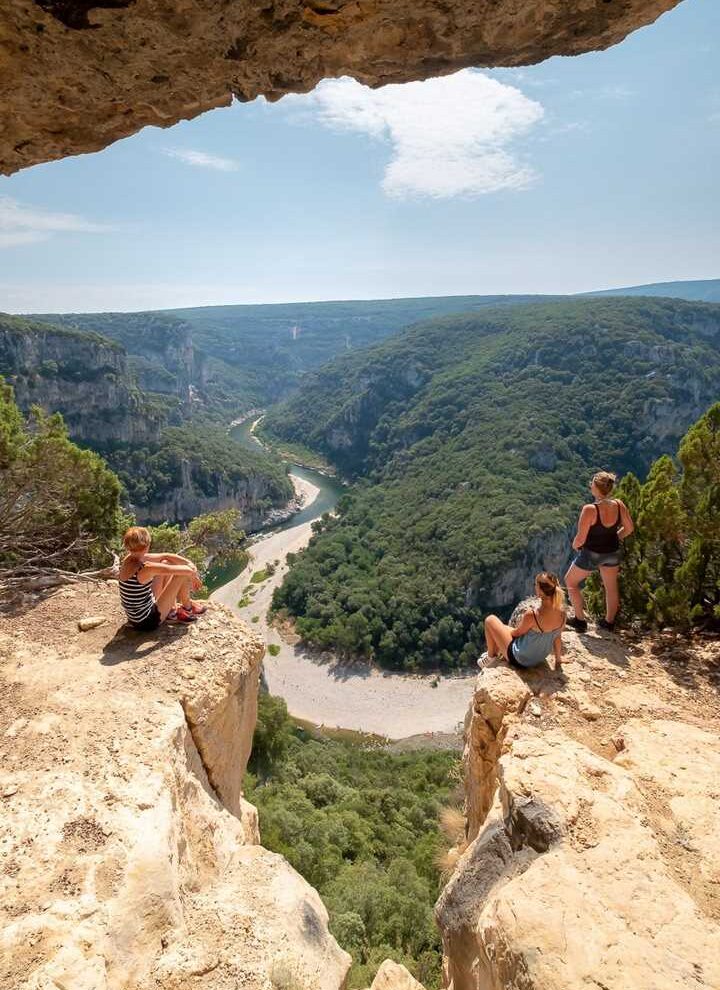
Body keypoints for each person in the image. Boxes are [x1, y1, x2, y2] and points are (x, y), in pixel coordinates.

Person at [565, 471, 635, 633]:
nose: (590, 485)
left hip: (592, 554)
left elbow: (580, 539)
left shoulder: (590, 509)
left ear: (596, 488)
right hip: (613, 553)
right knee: (611, 587)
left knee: (570, 582)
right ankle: (609, 623)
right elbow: (629, 528)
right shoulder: (619, 504)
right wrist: (616, 537)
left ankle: (580, 621)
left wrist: (575, 546)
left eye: (592, 483)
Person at [118, 526, 207, 630]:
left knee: (166, 562)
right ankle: (187, 607)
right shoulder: (146, 568)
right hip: (148, 621)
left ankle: (172, 611)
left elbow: (166, 556)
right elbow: (186, 571)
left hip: (135, 618)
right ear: (147, 545)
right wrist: (193, 573)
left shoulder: (128, 559)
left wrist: (189, 563)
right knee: (182, 574)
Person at [480, 572, 567, 671]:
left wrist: (506, 632)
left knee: (490, 620)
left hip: (520, 659)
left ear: (540, 591)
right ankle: (496, 649)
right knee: (502, 628)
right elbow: (557, 636)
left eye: (536, 585)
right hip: (538, 658)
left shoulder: (533, 615)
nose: (535, 587)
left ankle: (491, 657)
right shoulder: (562, 614)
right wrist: (558, 659)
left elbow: (516, 633)